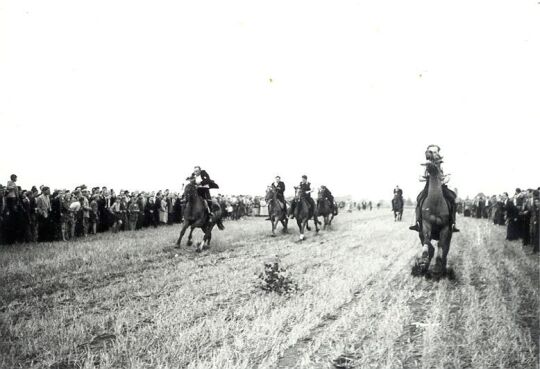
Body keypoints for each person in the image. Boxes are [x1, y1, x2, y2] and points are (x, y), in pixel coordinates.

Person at [409, 145, 460, 233]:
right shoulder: (426, 163)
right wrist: (428, 178)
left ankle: (452, 223)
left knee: (452, 198)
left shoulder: (443, 163)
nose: (433, 154)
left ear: (438, 153)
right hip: (429, 187)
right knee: (419, 198)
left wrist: (442, 181)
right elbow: (419, 178)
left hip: (441, 186)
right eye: (431, 152)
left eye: (435, 152)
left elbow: (448, 176)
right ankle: (417, 223)